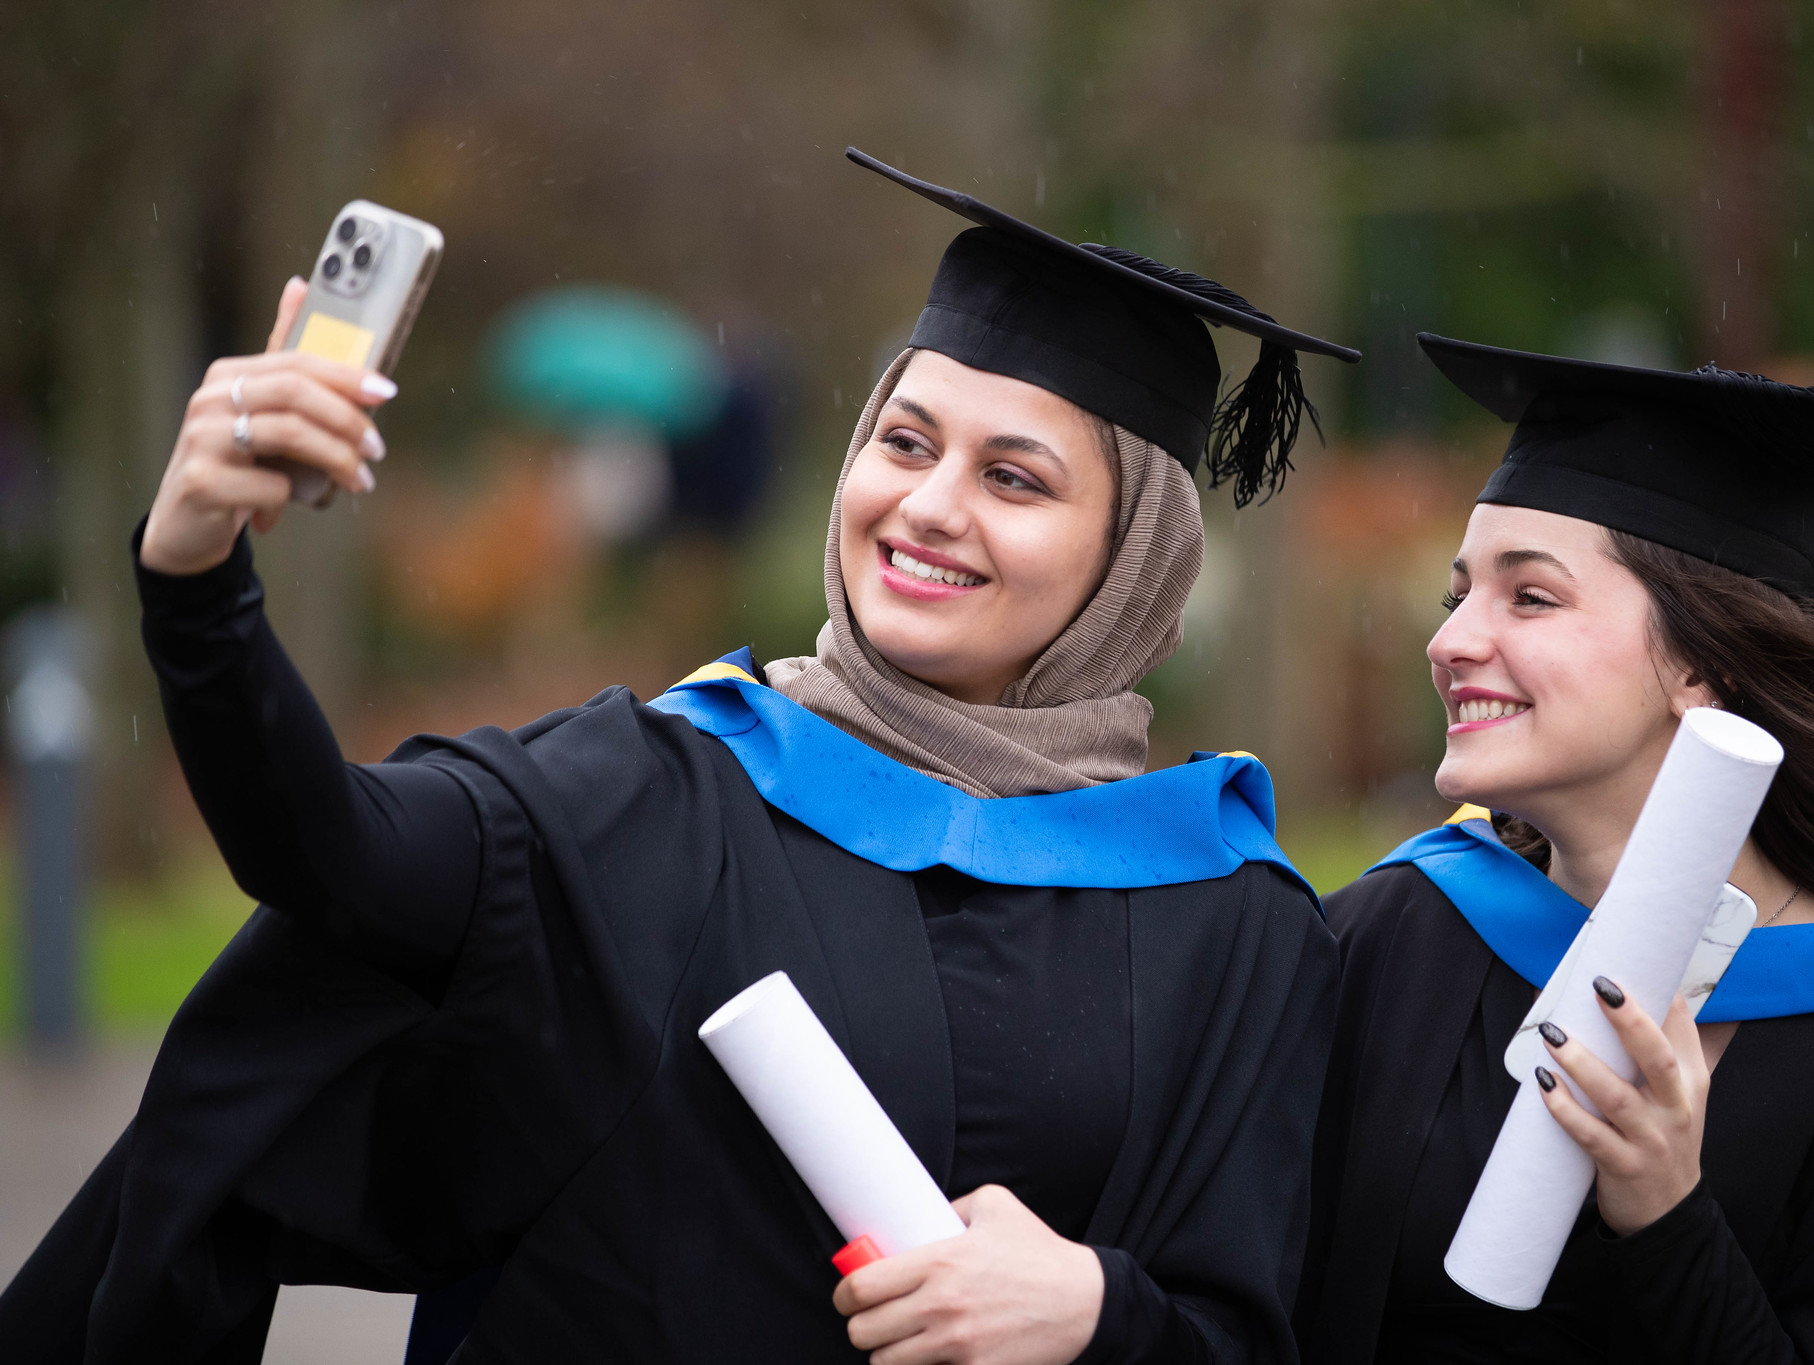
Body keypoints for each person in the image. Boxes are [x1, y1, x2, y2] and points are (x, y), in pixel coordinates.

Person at [1, 151, 1357, 1365]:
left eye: (1015, 478)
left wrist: (1095, 1315)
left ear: (1135, 569)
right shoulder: (649, 792)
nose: (928, 505)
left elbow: (1248, 1325)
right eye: (904, 439)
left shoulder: (1228, 919)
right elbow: (321, 849)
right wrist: (197, 581)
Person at [1294, 335, 1814, 1364]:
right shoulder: (1389, 942)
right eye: (1455, 592)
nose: (1449, 640)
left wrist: (1664, 1218)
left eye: (1528, 595)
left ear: (1701, 660)